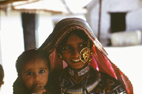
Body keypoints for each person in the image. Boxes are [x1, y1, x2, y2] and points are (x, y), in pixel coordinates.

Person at [39, 18, 133, 94]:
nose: (75, 54)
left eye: (82, 46)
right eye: (68, 48)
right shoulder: (48, 85)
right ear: (59, 52)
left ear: (91, 49)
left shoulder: (111, 87)